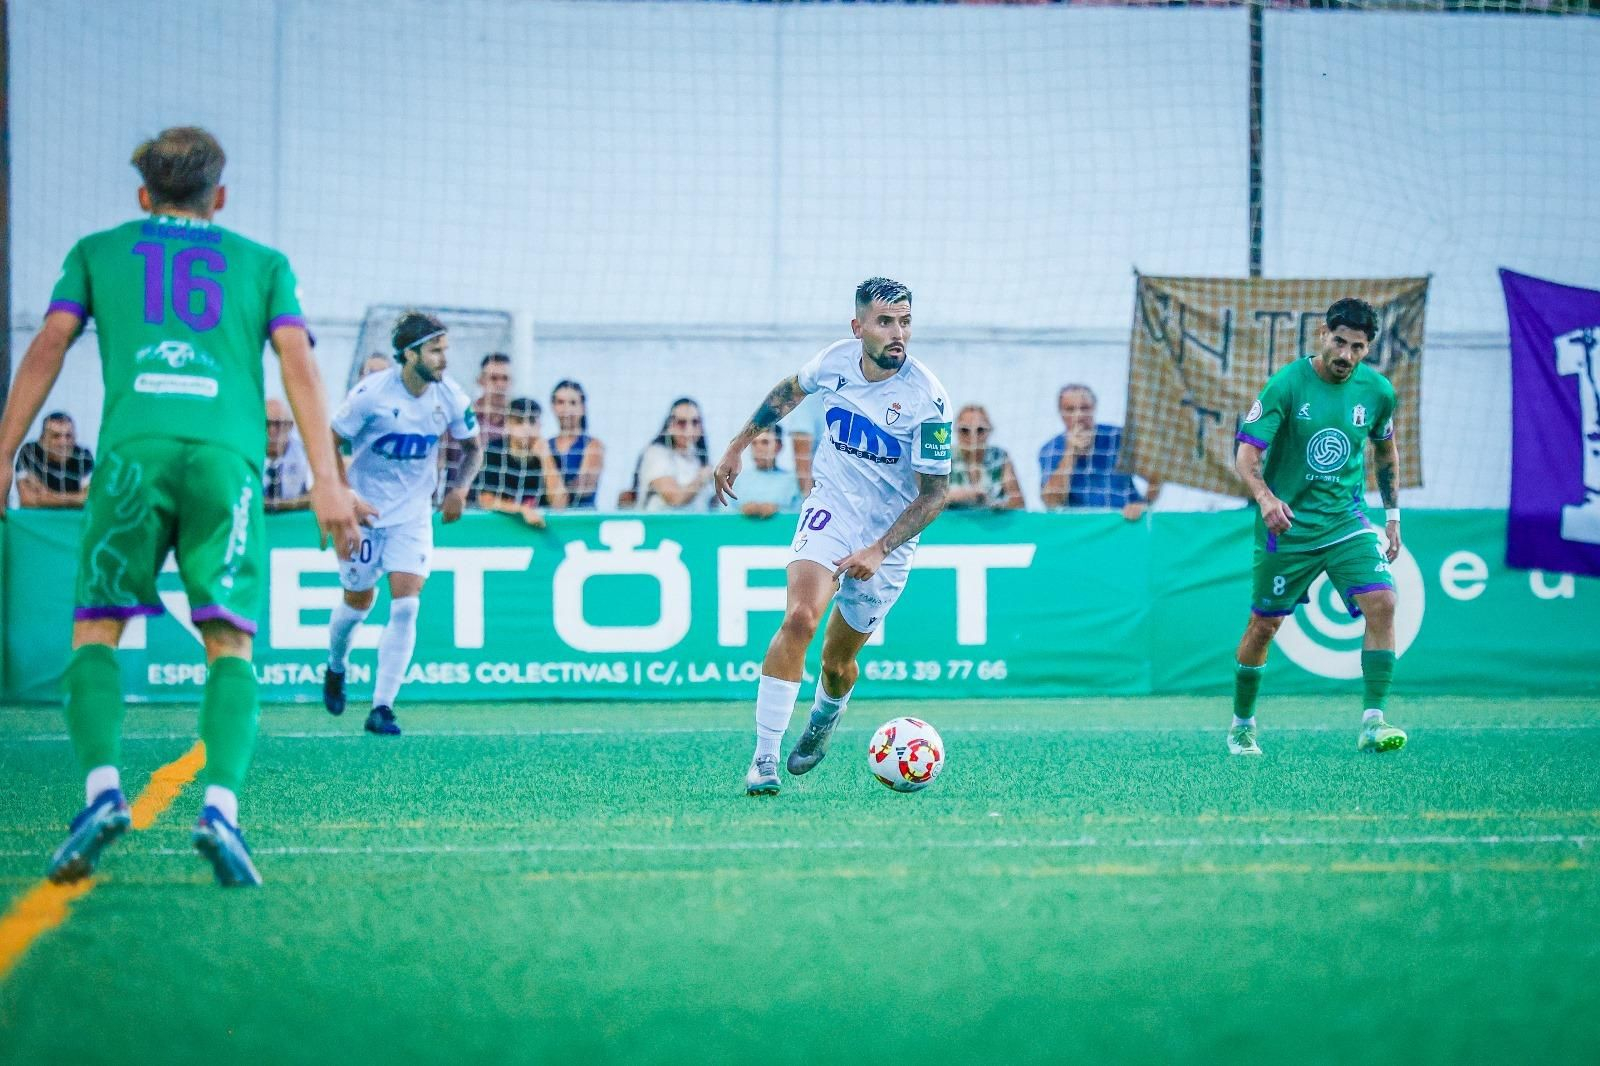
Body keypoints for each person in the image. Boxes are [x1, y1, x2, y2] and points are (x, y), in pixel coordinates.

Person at [0, 126, 368, 887]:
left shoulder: (97, 250)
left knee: (97, 630)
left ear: (144, 195)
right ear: (219, 196)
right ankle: (221, 811)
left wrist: (4, 450)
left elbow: (49, 344)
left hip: (134, 455)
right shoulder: (264, 265)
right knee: (229, 645)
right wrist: (328, 479)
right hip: (227, 463)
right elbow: (297, 360)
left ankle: (103, 792)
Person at [713, 277, 951, 796]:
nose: (897, 333)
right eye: (885, 322)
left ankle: (824, 717)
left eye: (905, 322)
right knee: (800, 617)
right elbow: (787, 393)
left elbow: (935, 494)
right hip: (830, 507)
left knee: (837, 662)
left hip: (887, 536)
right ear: (858, 326)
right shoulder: (835, 361)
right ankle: (764, 758)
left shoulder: (928, 400)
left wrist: (880, 549)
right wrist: (737, 445)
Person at [1227, 297, 1406, 757]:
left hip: (1346, 520)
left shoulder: (1379, 392)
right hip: (1288, 528)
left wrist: (1391, 517)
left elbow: (1386, 453)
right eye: (1340, 342)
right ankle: (1242, 724)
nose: (1346, 356)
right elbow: (1247, 454)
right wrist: (1266, 499)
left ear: (1368, 350)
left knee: (1383, 601)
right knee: (1263, 627)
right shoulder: (1286, 384)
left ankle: (1373, 721)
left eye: (1358, 348)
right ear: (1323, 334)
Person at [322, 311, 480, 737]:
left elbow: (473, 448)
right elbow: (328, 441)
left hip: (413, 514)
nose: (444, 358)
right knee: (358, 602)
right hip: (366, 514)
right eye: (435, 350)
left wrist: (458, 489)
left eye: (445, 349)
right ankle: (336, 666)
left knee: (407, 605)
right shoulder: (371, 395)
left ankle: (382, 706)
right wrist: (345, 495)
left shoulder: (449, 396)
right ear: (410, 355)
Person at [1039, 384, 1157, 519]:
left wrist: (1143, 504)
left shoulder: (1118, 437)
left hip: (1123, 522)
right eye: (1070, 409)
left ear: (1094, 408)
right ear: (1061, 413)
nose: (1079, 416)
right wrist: (1071, 453)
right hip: (1082, 527)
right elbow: (1051, 501)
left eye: (1084, 408)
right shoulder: (1050, 449)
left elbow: (1156, 477)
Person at [476, 396, 567, 526]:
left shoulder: (551, 454)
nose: (526, 427)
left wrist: (546, 458)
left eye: (531, 421)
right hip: (499, 528)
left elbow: (560, 505)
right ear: (508, 424)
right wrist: (522, 510)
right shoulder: (493, 451)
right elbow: (485, 500)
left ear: (540, 425)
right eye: (519, 421)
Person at [637, 398, 713, 512]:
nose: (689, 429)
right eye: (682, 423)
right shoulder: (656, 454)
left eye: (695, 422)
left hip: (693, 528)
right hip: (662, 527)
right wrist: (701, 478)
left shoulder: (698, 459)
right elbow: (675, 499)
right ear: (670, 425)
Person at [946, 404, 1024, 511]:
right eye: (965, 430)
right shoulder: (945, 457)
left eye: (980, 430)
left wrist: (997, 505)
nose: (972, 436)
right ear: (955, 431)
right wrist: (961, 496)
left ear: (989, 431)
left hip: (991, 524)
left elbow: (1018, 502)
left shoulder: (999, 457)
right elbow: (928, 499)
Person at [14, 411, 94, 509]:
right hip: (37, 519)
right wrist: (76, 498)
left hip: (73, 520)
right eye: (56, 436)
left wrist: (47, 496)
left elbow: (91, 499)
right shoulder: (30, 452)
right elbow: (28, 500)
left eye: (68, 436)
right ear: (42, 439)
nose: (63, 442)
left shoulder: (83, 456)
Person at [549, 379, 603, 509]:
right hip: (549, 521)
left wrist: (553, 489)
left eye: (573, 403)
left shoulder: (593, 445)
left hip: (582, 521)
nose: (566, 408)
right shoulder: (545, 445)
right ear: (553, 407)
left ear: (583, 408)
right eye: (560, 402)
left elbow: (584, 488)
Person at [734, 425, 802, 519]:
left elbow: (802, 514)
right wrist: (742, 510)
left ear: (779, 447)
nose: (758, 448)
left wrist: (777, 510)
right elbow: (720, 516)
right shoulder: (736, 480)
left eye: (765, 442)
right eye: (754, 443)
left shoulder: (794, 481)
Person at [263, 398, 312, 512]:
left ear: (290, 426)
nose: (272, 431)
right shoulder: (248, 454)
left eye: (278, 424)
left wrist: (273, 504)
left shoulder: (305, 454)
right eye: (266, 424)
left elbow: (315, 498)